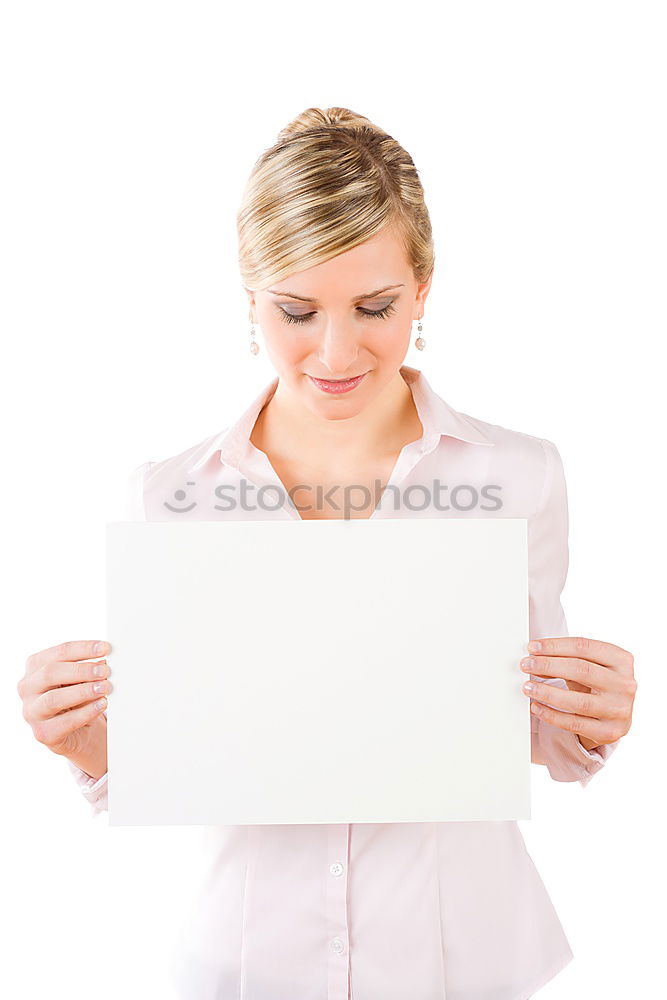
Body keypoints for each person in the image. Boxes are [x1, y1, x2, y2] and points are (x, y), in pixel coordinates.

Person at [17, 106, 637, 1000]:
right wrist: (85, 739)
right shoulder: (166, 497)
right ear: (249, 297)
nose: (336, 351)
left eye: (374, 307)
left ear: (423, 289)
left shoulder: (518, 475)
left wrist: (591, 716)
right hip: (246, 959)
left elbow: (532, 732)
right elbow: (168, 758)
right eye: (297, 311)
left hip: (457, 956)